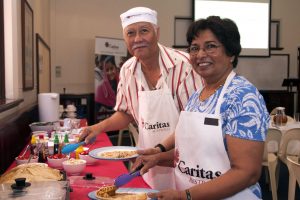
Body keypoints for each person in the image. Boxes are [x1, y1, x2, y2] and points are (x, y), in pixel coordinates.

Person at [133, 16, 270, 199]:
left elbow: (247, 172)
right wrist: (158, 157)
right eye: (195, 48)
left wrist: (186, 196)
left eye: (211, 46)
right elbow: (191, 153)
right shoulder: (198, 94)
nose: (200, 54)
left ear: (231, 53)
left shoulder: (243, 97)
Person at [79, 7, 202, 190]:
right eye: (131, 33)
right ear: (125, 39)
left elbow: (195, 125)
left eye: (144, 30)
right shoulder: (127, 70)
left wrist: (161, 153)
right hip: (149, 162)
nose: (137, 39)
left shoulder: (185, 66)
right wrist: (97, 128)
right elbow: (126, 113)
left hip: (190, 164)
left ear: (157, 32)